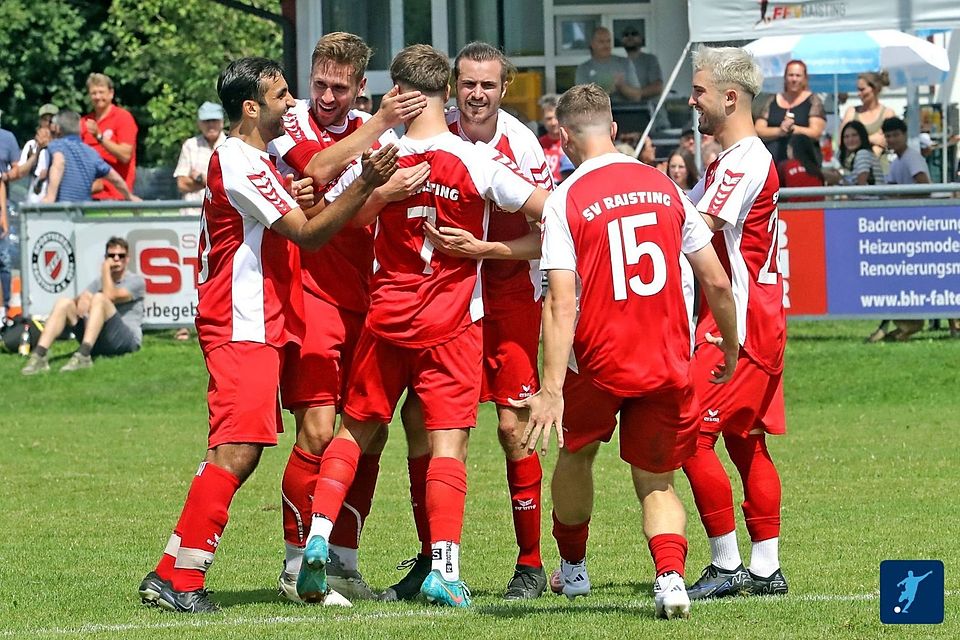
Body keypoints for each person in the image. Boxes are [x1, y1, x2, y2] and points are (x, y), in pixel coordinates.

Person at [138, 56, 398, 614]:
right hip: (240, 322)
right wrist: (366, 186)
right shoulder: (239, 162)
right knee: (236, 450)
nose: (292, 104)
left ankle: (170, 571)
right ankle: (183, 581)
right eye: (281, 96)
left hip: (263, 322)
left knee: (239, 448)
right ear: (251, 107)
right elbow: (306, 235)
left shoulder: (257, 158)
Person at [295, 44, 548, 609]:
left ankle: (316, 542)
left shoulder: (382, 157)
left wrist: (377, 191)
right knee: (448, 445)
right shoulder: (473, 158)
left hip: (386, 316)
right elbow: (549, 211)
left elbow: (329, 215)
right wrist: (488, 246)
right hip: (452, 321)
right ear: (446, 92)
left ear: (400, 93)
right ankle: (445, 570)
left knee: (354, 430)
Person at [512, 82, 738, 620]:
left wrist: (549, 390)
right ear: (614, 129)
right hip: (665, 356)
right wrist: (730, 343)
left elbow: (560, 303)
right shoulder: (664, 185)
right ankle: (670, 578)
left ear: (562, 139)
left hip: (596, 360)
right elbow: (716, 281)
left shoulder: (565, 199)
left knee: (576, 454)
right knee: (657, 479)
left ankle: (572, 569)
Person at [265, 31, 428, 604]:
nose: (327, 95)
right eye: (319, 83)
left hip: (371, 299)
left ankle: (343, 562)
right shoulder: (292, 124)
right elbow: (315, 169)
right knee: (316, 430)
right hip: (309, 298)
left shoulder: (375, 129)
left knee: (370, 434)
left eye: (339, 86)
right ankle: (293, 563)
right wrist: (379, 130)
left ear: (361, 84)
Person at [390, 41, 553, 602]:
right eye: (467, 83)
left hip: (507, 299)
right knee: (421, 421)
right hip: (439, 302)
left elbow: (551, 230)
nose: (476, 94)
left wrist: (487, 250)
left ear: (505, 88)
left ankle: (530, 564)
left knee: (513, 428)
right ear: (452, 86)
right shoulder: (433, 132)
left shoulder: (523, 146)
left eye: (487, 84)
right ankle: (431, 558)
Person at [682, 44, 789, 600]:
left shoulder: (746, 158)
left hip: (739, 324)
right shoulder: (727, 158)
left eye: (699, 90)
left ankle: (727, 565)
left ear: (730, 97)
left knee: (690, 437)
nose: (691, 99)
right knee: (746, 441)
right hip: (752, 319)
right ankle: (767, 570)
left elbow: (695, 225)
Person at [21, 237, 145, 375]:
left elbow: (111, 296)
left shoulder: (136, 281)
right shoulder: (98, 282)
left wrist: (105, 269)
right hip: (100, 339)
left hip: (126, 340)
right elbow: (77, 305)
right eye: (111, 256)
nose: (116, 259)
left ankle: (84, 355)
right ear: (106, 257)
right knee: (64, 303)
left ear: (127, 259)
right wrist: (82, 299)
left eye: (121, 256)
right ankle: (39, 355)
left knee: (99, 298)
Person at [865, 116, 929, 343]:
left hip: (916, 226)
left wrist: (899, 196)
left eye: (896, 135)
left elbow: (925, 188)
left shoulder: (912, 158)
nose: (892, 139)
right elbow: (890, 189)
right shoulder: (896, 160)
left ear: (904, 135)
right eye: (888, 136)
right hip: (902, 227)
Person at [43, 111, 138, 203]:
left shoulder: (57, 145)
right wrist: (129, 196)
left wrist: (49, 197)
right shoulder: (91, 152)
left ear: (58, 129)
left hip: (61, 211)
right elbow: (114, 178)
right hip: (82, 213)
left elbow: (59, 163)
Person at [754, 60, 826, 164]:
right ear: (785, 77)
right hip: (773, 162)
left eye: (798, 75)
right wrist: (780, 131)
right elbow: (759, 130)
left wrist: (793, 129)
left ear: (805, 78)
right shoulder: (771, 100)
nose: (794, 79)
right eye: (791, 75)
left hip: (804, 164)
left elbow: (816, 132)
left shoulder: (813, 101)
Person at [81, 73, 138, 201]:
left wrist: (99, 137)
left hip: (117, 197)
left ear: (111, 93)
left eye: (101, 92)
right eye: (93, 93)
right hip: (89, 197)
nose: (97, 97)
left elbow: (125, 156)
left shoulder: (123, 118)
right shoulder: (84, 122)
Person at [174, 102, 226, 204]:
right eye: (206, 121)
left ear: (222, 122)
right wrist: (215, 184)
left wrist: (200, 178)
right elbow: (182, 184)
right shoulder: (190, 145)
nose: (210, 125)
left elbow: (234, 186)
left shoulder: (232, 145)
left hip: (221, 215)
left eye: (214, 120)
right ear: (199, 123)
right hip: (191, 212)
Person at [575, 27, 643, 105]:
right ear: (592, 44)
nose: (606, 45)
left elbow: (637, 96)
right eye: (601, 42)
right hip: (596, 115)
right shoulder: (583, 69)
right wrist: (609, 88)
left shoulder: (625, 63)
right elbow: (582, 101)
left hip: (624, 112)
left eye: (608, 41)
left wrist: (621, 86)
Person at [840, 72, 896, 157]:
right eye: (858, 90)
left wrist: (857, 141)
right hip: (853, 166)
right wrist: (871, 138)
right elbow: (841, 141)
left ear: (875, 89)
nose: (858, 93)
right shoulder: (852, 112)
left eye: (862, 89)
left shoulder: (887, 113)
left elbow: (884, 141)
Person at [10, 104, 58, 203]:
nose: (48, 124)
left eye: (52, 120)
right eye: (45, 119)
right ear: (40, 121)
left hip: (56, 195)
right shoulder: (31, 145)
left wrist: (50, 145)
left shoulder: (62, 145)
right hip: (35, 195)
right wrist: (37, 152)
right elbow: (20, 173)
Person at [0, 109, 20, 317]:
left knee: (3, 259)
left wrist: (6, 176)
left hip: (1, 203)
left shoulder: (7, 138)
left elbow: (17, 170)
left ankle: (5, 310)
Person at [835, 121, 885, 188]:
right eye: (846, 137)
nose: (850, 139)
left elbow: (862, 187)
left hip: (872, 198)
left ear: (862, 136)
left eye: (854, 135)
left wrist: (839, 180)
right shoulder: (861, 154)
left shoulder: (863, 153)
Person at [620, 27, 663, 104]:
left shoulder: (650, 59)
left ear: (641, 38)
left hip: (651, 111)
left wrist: (635, 93)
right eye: (626, 35)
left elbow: (658, 87)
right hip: (628, 111)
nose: (630, 37)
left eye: (634, 34)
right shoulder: (620, 63)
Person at [778, 134, 824, 202]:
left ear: (791, 149)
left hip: (793, 210)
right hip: (818, 210)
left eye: (788, 148)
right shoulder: (815, 168)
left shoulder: (785, 166)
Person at [539, 94, 573, 184]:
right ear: (542, 120)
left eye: (556, 118)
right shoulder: (537, 145)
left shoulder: (572, 143)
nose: (553, 123)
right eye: (549, 119)